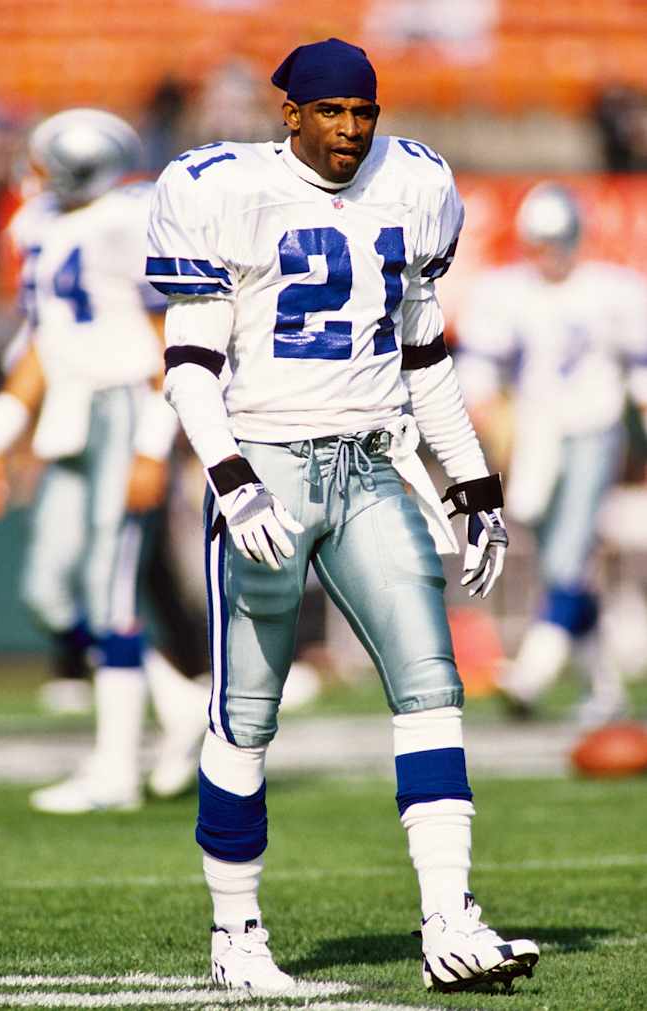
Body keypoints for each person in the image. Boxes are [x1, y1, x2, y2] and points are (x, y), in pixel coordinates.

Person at [148, 37, 539, 995]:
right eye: (331, 113)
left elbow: (424, 355)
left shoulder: (413, 186)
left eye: (364, 113)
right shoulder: (221, 189)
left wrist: (471, 480)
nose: (351, 131)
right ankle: (236, 933)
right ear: (290, 113)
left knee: (431, 683)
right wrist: (233, 477)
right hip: (269, 466)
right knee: (245, 710)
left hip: (371, 464)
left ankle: (448, 919)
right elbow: (190, 364)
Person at [0, 107, 207, 812]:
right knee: (50, 589)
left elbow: (172, 337)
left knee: (110, 595)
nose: (34, 171)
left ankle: (114, 769)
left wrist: (152, 443)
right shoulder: (41, 224)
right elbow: (46, 342)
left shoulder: (129, 219)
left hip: (126, 407)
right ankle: (181, 706)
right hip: (73, 411)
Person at [456, 181, 647, 728]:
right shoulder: (506, 291)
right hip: (536, 437)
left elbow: (640, 370)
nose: (550, 254)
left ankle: (532, 673)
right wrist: (493, 429)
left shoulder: (612, 290)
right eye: (540, 242)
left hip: (596, 427)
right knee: (560, 563)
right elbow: (480, 374)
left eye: (558, 240)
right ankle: (605, 689)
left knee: (567, 556)